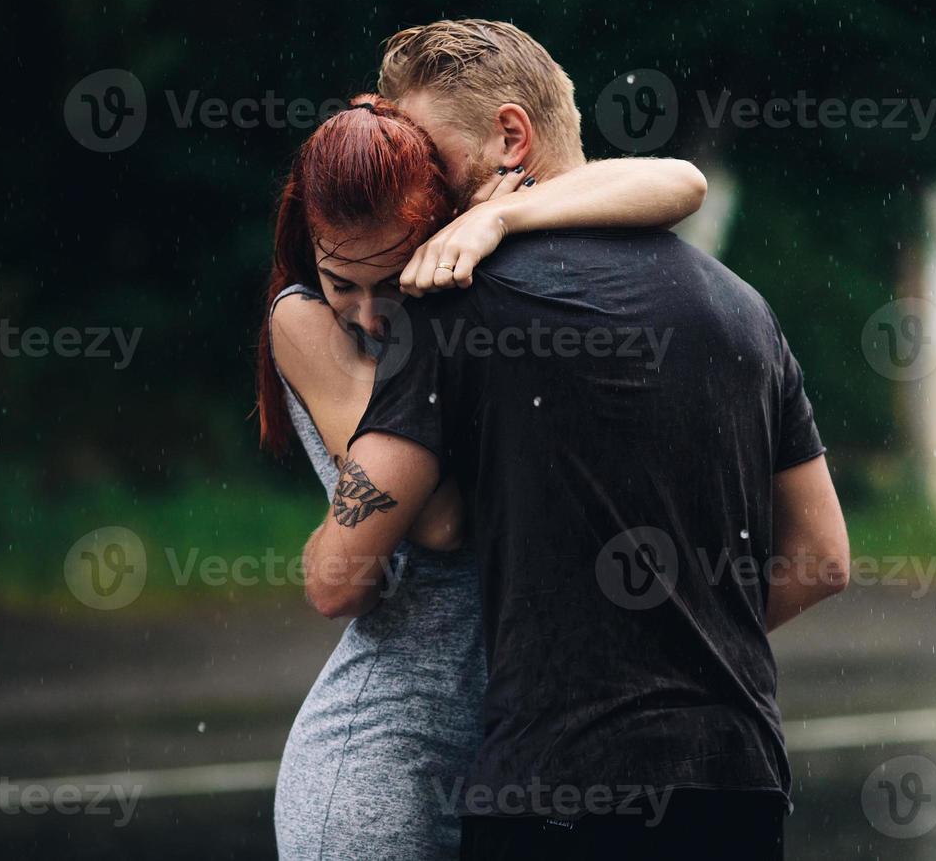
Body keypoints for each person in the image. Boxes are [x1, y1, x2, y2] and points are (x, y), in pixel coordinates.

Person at [303, 19, 851, 861]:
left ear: (510, 136)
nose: (418, 191)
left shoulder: (457, 307)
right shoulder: (742, 306)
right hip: (736, 784)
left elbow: (339, 575)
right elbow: (822, 558)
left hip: (553, 791)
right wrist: (679, 638)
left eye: (431, 160)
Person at [257, 89, 708, 860]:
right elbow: (439, 521)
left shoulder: (471, 276)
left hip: (503, 757)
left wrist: (502, 217)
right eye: (343, 283)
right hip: (385, 760)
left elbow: (681, 184)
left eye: (390, 282)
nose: (367, 316)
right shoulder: (303, 322)